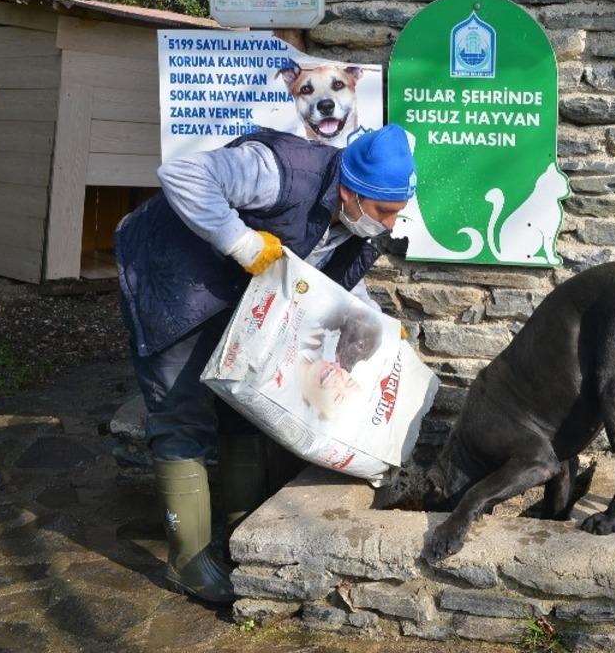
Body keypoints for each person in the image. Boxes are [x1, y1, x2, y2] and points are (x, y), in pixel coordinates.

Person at [115, 124, 415, 604]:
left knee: (243, 406)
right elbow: (182, 172)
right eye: (383, 211)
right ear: (349, 191)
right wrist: (240, 241)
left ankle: (238, 539)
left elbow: (337, 282)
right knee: (180, 415)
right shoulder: (282, 173)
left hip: (238, 294)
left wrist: (375, 325)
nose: (389, 224)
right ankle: (188, 563)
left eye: (398, 213)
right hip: (175, 280)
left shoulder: (359, 223)